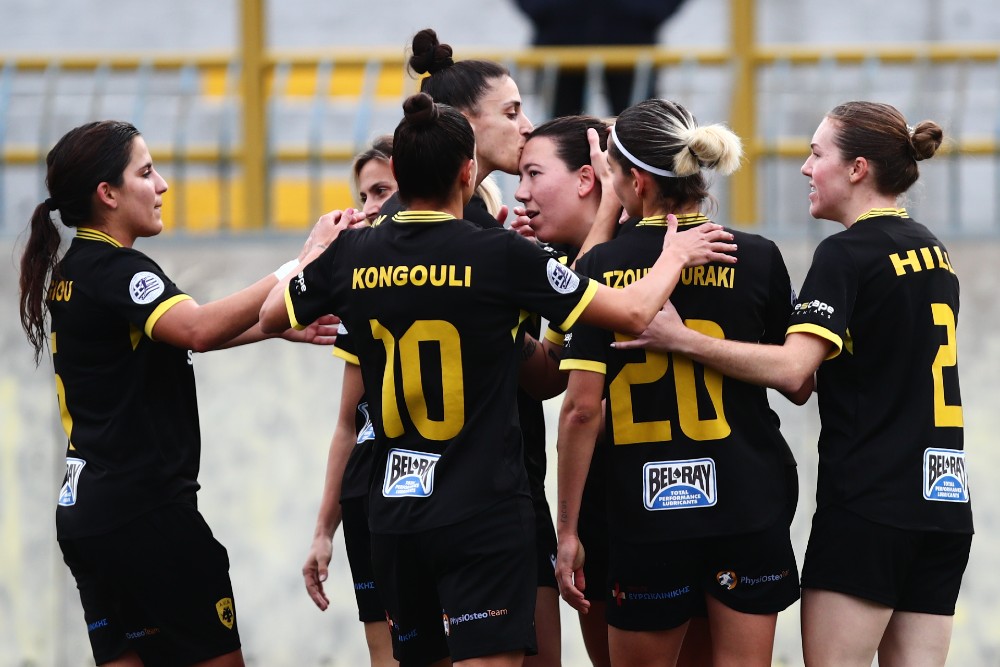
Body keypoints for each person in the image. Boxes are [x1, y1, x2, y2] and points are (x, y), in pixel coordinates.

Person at [260, 92, 736, 667]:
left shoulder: (351, 254)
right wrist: (674, 255)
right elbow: (633, 313)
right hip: (481, 512)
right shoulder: (502, 254)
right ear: (468, 172)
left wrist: (316, 252)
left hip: (395, 515)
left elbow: (270, 316)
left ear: (399, 174)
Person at [617, 101, 974, 667]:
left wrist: (684, 340)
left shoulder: (846, 253)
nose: (806, 168)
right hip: (945, 506)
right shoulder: (933, 249)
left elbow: (793, 371)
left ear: (857, 169)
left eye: (816, 154)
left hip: (870, 505)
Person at [17, 120, 343, 666]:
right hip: (146, 513)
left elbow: (174, 337)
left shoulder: (74, 270)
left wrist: (270, 327)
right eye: (146, 172)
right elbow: (197, 329)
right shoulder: (118, 269)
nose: (162, 184)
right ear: (108, 194)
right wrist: (300, 264)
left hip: (87, 514)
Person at [555, 98, 803, 667]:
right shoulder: (757, 256)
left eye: (613, 175)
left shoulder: (600, 269)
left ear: (638, 182)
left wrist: (567, 531)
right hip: (748, 503)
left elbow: (580, 411)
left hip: (646, 514)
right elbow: (799, 383)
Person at [301, 136, 399, 667]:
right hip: (368, 491)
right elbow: (348, 424)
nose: (368, 208)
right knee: (385, 654)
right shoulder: (360, 284)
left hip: (444, 495)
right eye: (363, 196)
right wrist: (323, 530)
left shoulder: (473, 257)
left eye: (381, 191)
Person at [513, 0, 688, 117]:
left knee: (639, 135)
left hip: (632, 48)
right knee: (560, 139)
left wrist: (649, 10)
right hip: (557, 48)